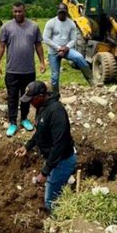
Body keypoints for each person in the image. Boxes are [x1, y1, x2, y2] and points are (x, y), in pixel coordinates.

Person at [15, 80, 77, 212]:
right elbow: (40, 132)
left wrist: (45, 173)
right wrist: (27, 147)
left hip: (62, 160)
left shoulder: (56, 112)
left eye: (31, 100)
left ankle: (57, 221)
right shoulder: (41, 107)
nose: (30, 103)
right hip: (55, 159)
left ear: (40, 96)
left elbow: (59, 145)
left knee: (50, 201)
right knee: (56, 189)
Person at [0, 2, 46, 137]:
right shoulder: (6, 27)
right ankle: (12, 122)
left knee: (26, 96)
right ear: (13, 12)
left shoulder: (34, 27)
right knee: (12, 97)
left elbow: (38, 45)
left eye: (20, 11)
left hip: (28, 70)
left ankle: (24, 119)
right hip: (12, 70)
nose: (17, 14)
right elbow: (1, 46)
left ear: (25, 11)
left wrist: (42, 62)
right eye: (15, 12)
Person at [43, 3, 94, 91]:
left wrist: (66, 48)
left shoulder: (71, 23)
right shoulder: (51, 23)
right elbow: (46, 38)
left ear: (67, 12)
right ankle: (55, 94)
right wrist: (59, 48)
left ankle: (91, 80)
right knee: (55, 76)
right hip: (54, 52)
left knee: (79, 57)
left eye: (64, 12)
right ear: (57, 12)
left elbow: (73, 39)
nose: (62, 14)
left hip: (67, 49)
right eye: (60, 12)